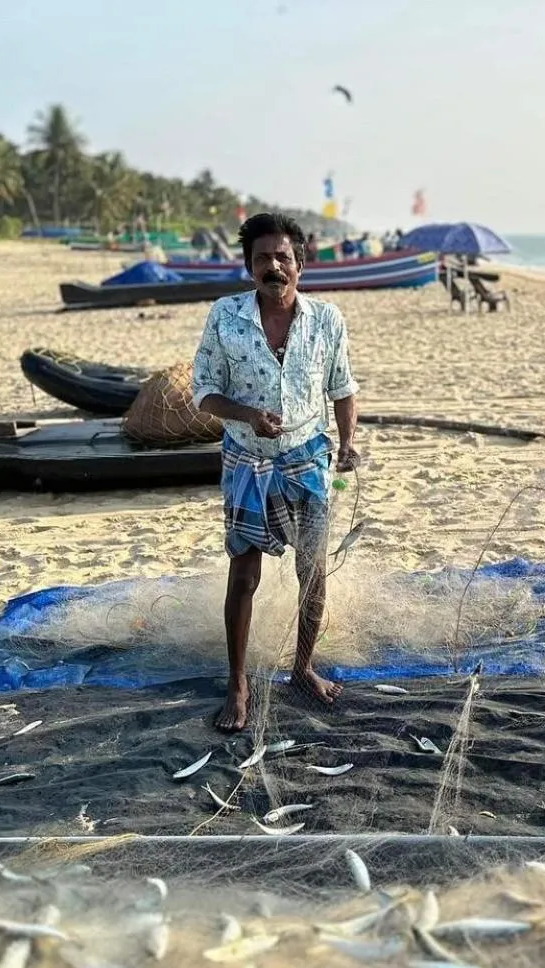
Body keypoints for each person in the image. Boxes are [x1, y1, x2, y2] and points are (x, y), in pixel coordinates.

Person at [192, 212, 361, 730]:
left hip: (309, 461)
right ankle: (238, 683)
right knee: (244, 574)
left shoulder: (327, 320)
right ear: (248, 267)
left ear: (300, 264)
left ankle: (303, 667)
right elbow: (204, 393)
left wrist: (349, 441)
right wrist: (248, 415)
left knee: (312, 572)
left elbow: (342, 386)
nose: (273, 266)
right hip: (246, 461)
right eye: (263, 258)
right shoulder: (225, 317)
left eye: (282, 257)